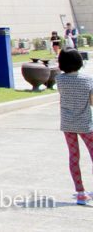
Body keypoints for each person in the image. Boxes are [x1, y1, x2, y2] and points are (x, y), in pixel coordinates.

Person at [57, 49, 93, 205]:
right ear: (79, 62)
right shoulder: (88, 79)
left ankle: (80, 193)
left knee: (74, 156)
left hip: (67, 124)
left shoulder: (60, 79)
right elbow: (92, 101)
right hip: (86, 124)